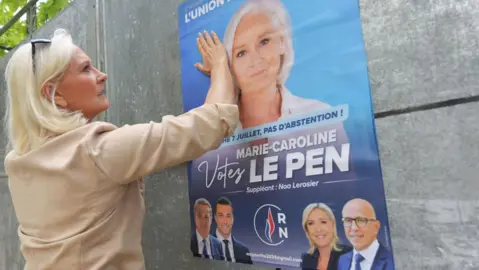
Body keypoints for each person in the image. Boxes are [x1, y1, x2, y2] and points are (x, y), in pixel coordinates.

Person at [3, 28, 238, 270]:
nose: (102, 75)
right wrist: (221, 64)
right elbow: (212, 122)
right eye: (85, 69)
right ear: (54, 94)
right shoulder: (98, 151)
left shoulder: (18, 163)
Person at [195, 0, 344, 132]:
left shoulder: (322, 118)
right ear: (230, 66)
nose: (255, 60)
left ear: (282, 42)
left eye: (264, 42)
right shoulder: (214, 134)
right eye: (241, 53)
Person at [338, 199, 395, 270]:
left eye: (361, 220)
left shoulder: (393, 261)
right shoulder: (343, 260)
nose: (354, 228)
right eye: (348, 220)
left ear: (376, 226)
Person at [300, 203, 352, 270]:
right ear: (307, 230)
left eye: (323, 222)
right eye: (311, 223)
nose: (318, 229)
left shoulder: (350, 255)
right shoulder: (307, 258)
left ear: (332, 224)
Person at [214, 196, 253, 264]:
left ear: (233, 218)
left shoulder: (244, 251)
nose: (225, 221)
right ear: (215, 218)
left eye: (228, 216)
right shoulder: (205, 247)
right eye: (221, 215)